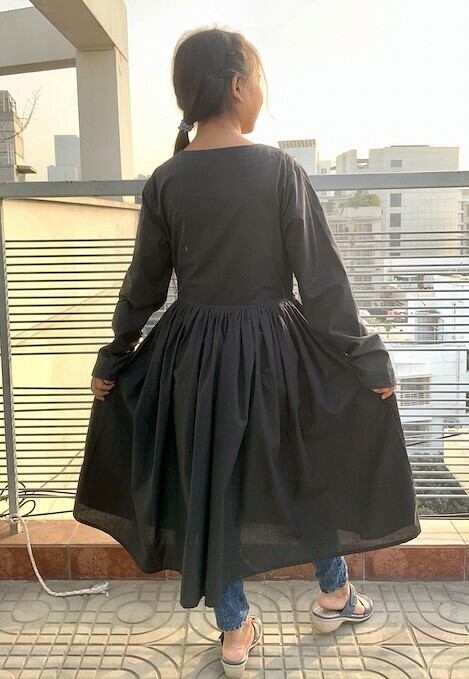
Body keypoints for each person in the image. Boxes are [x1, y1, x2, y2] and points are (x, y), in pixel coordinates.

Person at [73, 26, 421, 676]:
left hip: (191, 360)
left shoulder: (166, 180)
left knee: (212, 487)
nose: (262, 91)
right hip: (274, 354)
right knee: (304, 469)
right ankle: (334, 593)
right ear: (237, 86)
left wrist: (114, 357)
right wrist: (367, 359)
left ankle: (234, 631)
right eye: (259, 79)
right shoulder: (279, 170)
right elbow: (322, 283)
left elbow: (143, 284)